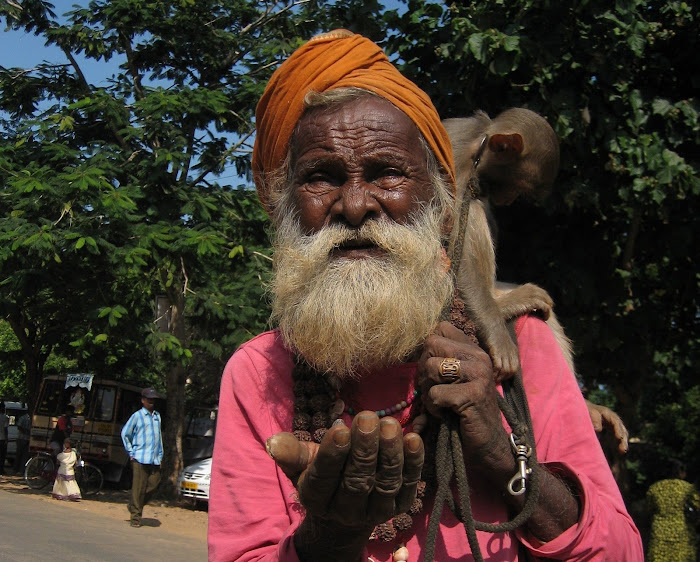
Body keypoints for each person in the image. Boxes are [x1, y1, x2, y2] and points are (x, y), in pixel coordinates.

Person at [208, 30, 643, 561]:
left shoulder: (519, 345)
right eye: (320, 178)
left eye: (387, 173)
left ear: (440, 204)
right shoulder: (258, 373)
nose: (355, 205)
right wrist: (331, 535)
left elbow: (621, 553)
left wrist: (506, 458)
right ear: (283, 208)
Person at [121, 387, 163, 528]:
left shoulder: (157, 416)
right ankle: (136, 517)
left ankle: (134, 504)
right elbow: (125, 433)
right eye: (149, 399)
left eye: (153, 400)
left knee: (154, 484)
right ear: (143, 400)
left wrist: (160, 455)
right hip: (139, 457)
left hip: (154, 458)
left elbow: (159, 438)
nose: (151, 402)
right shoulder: (137, 416)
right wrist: (131, 452)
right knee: (138, 488)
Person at [13, 409, 31, 474]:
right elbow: (19, 427)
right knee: (20, 455)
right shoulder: (24, 418)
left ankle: (20, 470)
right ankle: (17, 469)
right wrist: (26, 432)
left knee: (23, 455)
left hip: (26, 439)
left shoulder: (28, 418)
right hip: (22, 438)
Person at [0, 402, 8, 475]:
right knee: (2, 455)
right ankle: (1, 469)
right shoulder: (5, 417)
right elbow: (5, 429)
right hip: (2, 439)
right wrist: (6, 439)